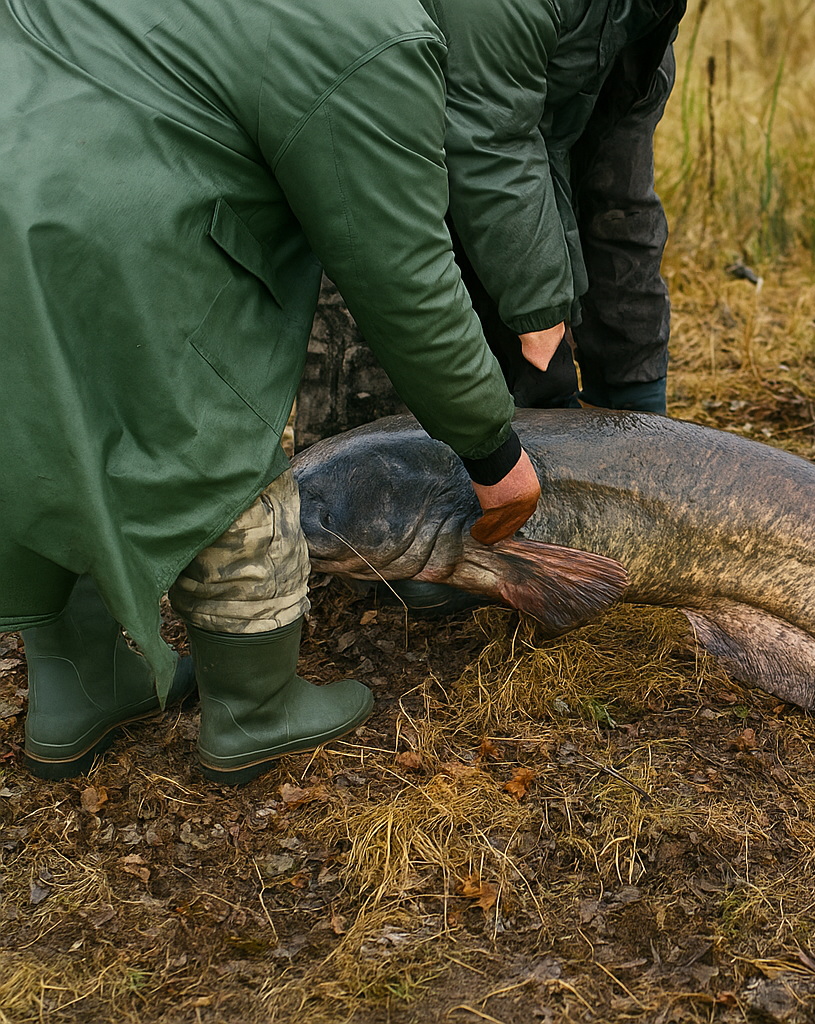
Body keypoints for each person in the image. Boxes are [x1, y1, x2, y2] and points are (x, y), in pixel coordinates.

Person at [0, 0, 541, 785]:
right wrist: (491, 447)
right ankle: (256, 711)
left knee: (39, 430)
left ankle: (75, 690)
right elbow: (403, 279)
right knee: (208, 442)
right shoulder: (370, 30)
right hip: (118, 239)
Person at [437, 0, 686, 415]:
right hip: (436, 100)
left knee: (616, 205)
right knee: (529, 344)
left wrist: (636, 385)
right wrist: (540, 319)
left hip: (585, 43)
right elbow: (493, 149)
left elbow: (617, 199)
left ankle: (632, 408)